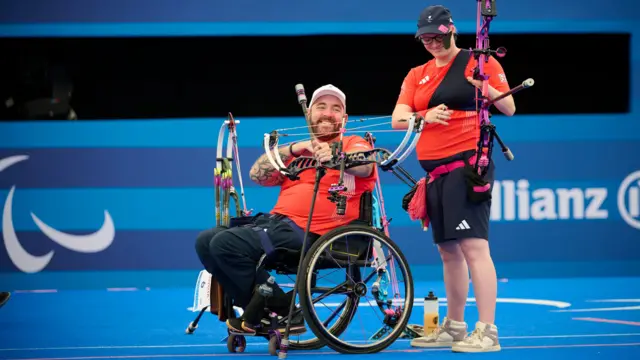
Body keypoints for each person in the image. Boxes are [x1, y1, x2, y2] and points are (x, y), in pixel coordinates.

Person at [194, 84, 377, 335]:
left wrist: (335, 154)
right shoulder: (299, 152)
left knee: (225, 244)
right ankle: (265, 312)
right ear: (310, 113)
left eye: (336, 109)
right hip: (279, 223)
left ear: (343, 119)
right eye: (321, 107)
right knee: (206, 241)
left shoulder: (352, 142)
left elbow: (365, 164)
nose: (328, 113)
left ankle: (282, 309)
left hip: (316, 232)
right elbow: (257, 174)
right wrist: (294, 148)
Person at [391, 5, 516, 353]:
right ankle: (455, 326)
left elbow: (509, 108)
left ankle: (488, 331)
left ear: (452, 30)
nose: (432, 42)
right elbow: (398, 119)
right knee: (448, 253)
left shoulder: (480, 62)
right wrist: (425, 115)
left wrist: (484, 87)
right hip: (434, 175)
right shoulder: (417, 74)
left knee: (475, 248)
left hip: (467, 166)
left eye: (437, 36)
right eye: (425, 38)